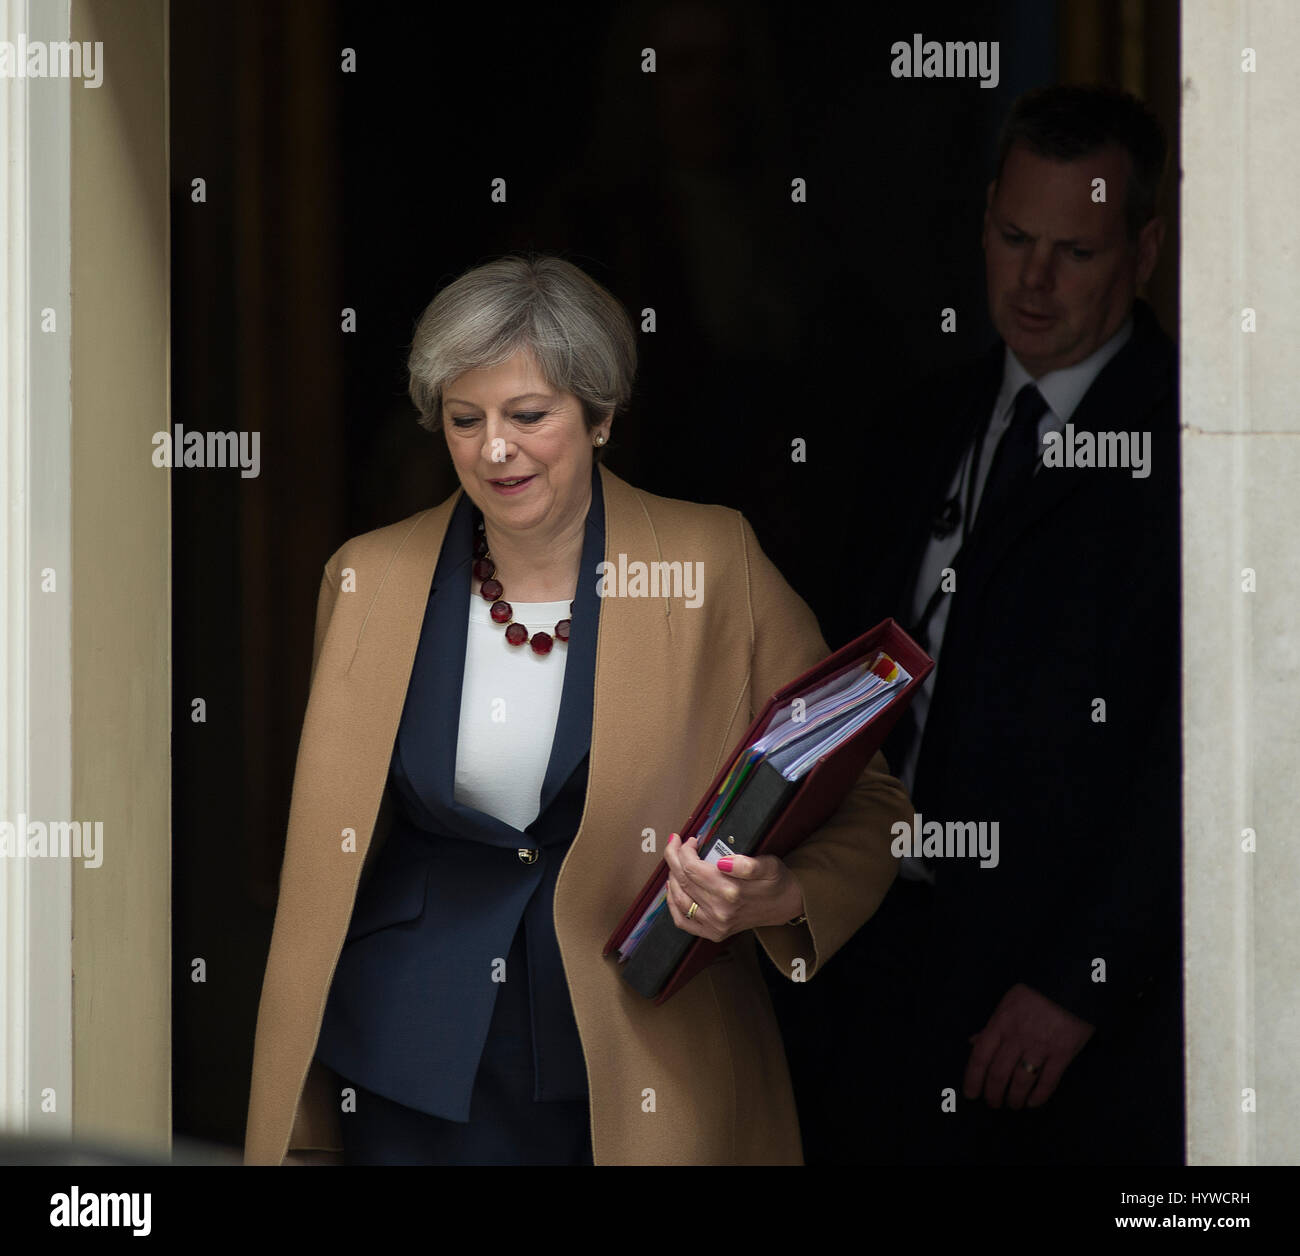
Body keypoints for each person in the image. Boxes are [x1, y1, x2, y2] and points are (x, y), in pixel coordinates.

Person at [243, 254, 912, 1165]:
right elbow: (331, 852)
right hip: (410, 1057)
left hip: (643, 1048)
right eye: (464, 420)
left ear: (600, 416)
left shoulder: (713, 562)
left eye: (528, 416)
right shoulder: (368, 576)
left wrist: (781, 895)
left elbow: (871, 804)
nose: (494, 450)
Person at [771, 84, 1183, 1165]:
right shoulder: (914, 424)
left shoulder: (1199, 448)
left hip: (1063, 1017)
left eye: (1073, 251)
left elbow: (1206, 753)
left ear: (1143, 253)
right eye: (1011, 237)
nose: (1032, 280)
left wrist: (1079, 980)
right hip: (873, 963)